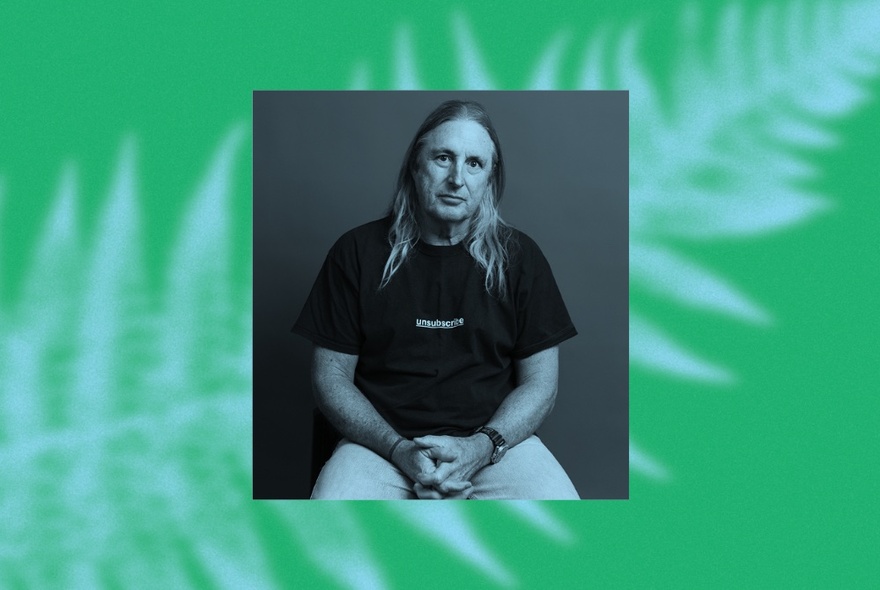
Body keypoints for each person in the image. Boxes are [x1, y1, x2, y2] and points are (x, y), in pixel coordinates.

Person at [293, 99, 580, 499]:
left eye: (474, 164)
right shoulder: (356, 252)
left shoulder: (520, 257)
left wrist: (479, 448)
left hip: (494, 449)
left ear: (490, 178)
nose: (457, 179)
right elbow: (330, 377)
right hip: (380, 448)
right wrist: (399, 449)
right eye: (444, 158)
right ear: (415, 165)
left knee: (561, 506)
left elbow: (541, 384)